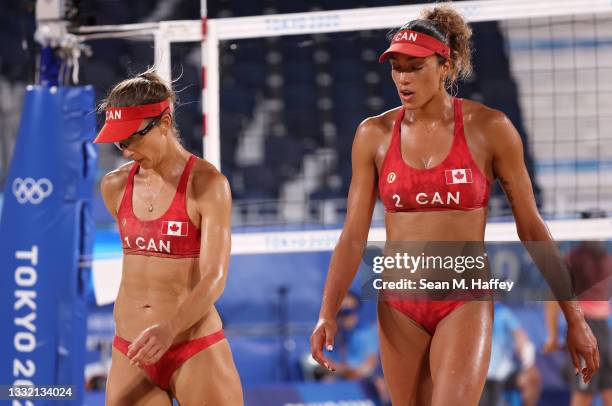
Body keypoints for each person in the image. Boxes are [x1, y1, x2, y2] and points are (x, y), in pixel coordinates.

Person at [309, 5, 599, 405]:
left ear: (444, 65)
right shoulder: (372, 134)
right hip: (399, 302)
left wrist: (575, 317)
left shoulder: (490, 129)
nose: (403, 78)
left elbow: (532, 228)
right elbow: (352, 236)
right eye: (396, 67)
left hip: (463, 297)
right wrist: (327, 312)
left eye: (415, 66)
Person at [96, 69, 243, 405]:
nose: (125, 150)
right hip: (131, 349)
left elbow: (215, 277)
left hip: (192, 345)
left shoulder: (207, 184)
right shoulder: (114, 186)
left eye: (132, 138)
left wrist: (169, 328)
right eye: (119, 141)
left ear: (163, 122)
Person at [544, 238, 611, 406]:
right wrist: (552, 336)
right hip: (584, 325)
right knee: (583, 393)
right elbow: (553, 298)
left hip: (602, 327)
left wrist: (553, 337)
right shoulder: (573, 259)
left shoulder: (606, 259)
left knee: (608, 390)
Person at [480, 303, 541, 406]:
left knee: (532, 379)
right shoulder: (468, 312)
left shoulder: (503, 313)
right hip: (479, 375)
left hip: (503, 372)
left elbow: (520, 337)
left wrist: (528, 363)